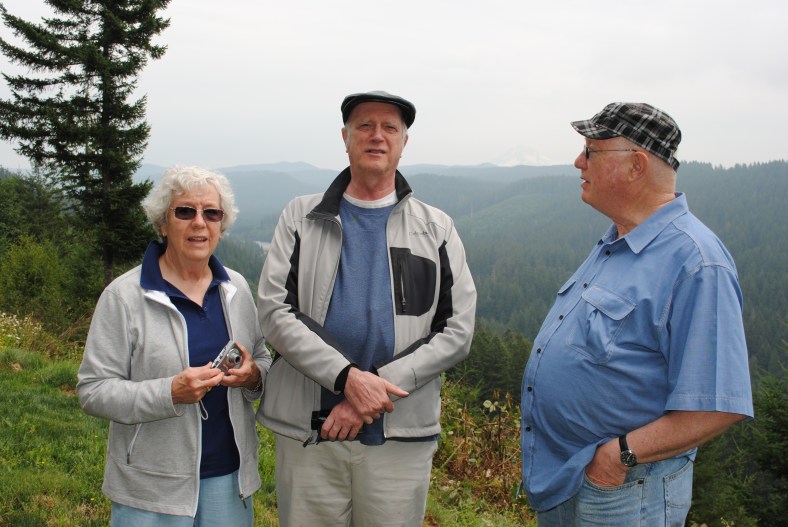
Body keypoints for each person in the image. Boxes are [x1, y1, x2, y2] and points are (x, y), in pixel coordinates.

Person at [520, 103, 754, 525]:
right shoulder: (617, 241)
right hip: (567, 481)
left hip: (623, 494)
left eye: (591, 151)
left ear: (636, 166)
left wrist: (619, 456)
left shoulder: (697, 262)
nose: (578, 162)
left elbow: (720, 404)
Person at [256, 90, 477, 526]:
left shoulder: (436, 229)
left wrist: (372, 390)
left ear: (404, 141)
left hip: (399, 437)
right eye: (365, 126)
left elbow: (456, 331)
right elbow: (274, 312)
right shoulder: (300, 217)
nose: (377, 136)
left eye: (389, 127)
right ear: (345, 137)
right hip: (310, 432)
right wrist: (347, 378)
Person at [77, 166, 271, 526]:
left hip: (229, 483)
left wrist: (253, 376)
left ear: (221, 225)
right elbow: (93, 390)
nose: (200, 222)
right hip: (151, 491)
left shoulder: (238, 289)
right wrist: (170, 392)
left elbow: (261, 357)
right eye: (185, 211)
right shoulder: (124, 296)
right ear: (163, 223)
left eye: (211, 213)